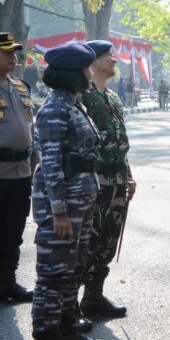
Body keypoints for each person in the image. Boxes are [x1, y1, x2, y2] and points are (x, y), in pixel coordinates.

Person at [30, 41, 98, 340]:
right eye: (86, 68)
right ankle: (46, 331)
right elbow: (52, 163)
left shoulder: (72, 102)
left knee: (73, 267)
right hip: (62, 206)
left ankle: (66, 323)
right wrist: (58, 212)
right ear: (74, 73)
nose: (90, 72)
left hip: (79, 201)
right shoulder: (55, 109)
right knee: (54, 274)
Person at [77, 41, 134, 321]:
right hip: (95, 179)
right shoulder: (82, 96)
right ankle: (70, 304)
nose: (115, 59)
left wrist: (129, 175)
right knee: (88, 241)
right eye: (109, 56)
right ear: (93, 61)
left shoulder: (113, 97)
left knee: (108, 240)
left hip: (117, 179)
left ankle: (93, 296)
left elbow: (120, 140)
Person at [0, 33, 38, 303]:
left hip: (22, 171)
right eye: (7, 52)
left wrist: (36, 164)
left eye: (14, 52)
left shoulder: (21, 87)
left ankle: (7, 282)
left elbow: (30, 129)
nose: (14, 56)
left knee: (14, 231)